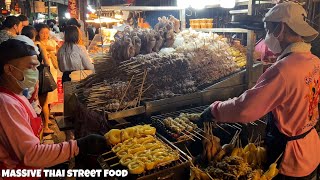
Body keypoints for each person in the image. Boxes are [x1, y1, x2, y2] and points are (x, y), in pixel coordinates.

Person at [198, 2, 319, 179]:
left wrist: (215, 110)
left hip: (291, 159)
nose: (267, 35)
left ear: (281, 28)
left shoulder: (284, 69)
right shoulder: (314, 61)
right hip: (311, 150)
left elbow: (246, 109)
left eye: (269, 29)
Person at [0, 39, 107, 170]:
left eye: (36, 66)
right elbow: (31, 155)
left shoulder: (17, 95)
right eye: (30, 67)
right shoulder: (5, 104)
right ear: (9, 69)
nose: (35, 72)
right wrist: (78, 145)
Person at [36, 24, 59, 134]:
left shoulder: (51, 42)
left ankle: (47, 116)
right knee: (45, 95)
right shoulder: (38, 44)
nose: (45, 35)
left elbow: (55, 49)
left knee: (50, 94)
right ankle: (45, 120)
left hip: (51, 71)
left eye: (46, 32)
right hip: (43, 72)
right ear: (37, 33)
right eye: (42, 33)